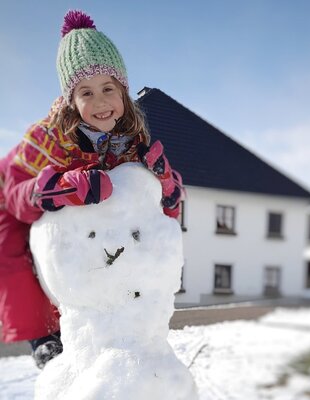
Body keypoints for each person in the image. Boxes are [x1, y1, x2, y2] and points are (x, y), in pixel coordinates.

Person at [0, 10, 183, 369]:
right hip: (11, 193)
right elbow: (15, 197)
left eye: (108, 89)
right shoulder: (47, 136)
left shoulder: (134, 138)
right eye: (86, 92)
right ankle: (44, 337)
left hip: (73, 202)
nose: (100, 103)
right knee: (11, 249)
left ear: (124, 92)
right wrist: (60, 188)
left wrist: (164, 181)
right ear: (71, 100)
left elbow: (167, 208)